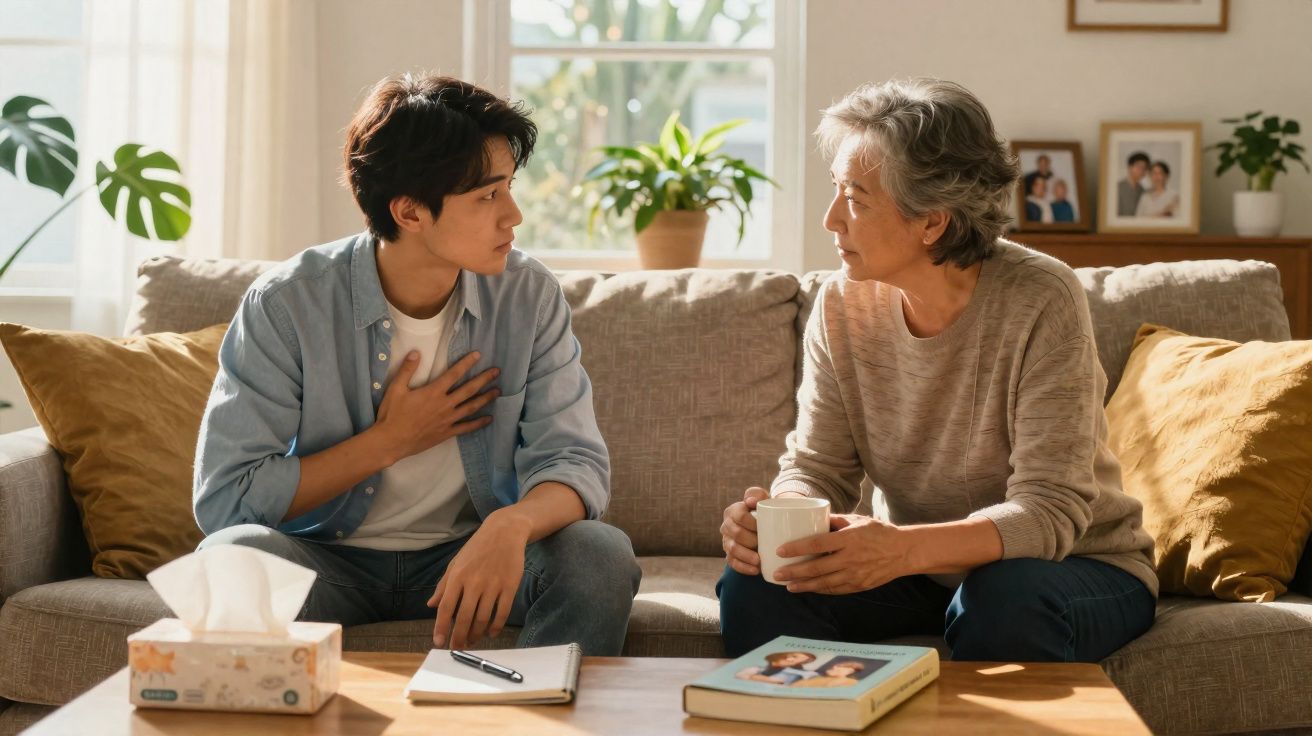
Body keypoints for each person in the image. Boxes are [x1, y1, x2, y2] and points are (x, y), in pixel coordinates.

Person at [193, 73, 641, 656]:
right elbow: (227, 498)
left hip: (472, 554)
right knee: (229, 562)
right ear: (409, 212)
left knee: (598, 556)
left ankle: (538, 716)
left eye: (509, 187)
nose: (514, 215)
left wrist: (510, 526)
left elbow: (576, 462)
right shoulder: (287, 304)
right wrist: (389, 441)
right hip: (327, 560)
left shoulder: (528, 296)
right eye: (487, 195)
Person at [717, 78, 1157, 663]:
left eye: (855, 198)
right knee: (757, 584)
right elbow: (818, 468)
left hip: (1072, 566)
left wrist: (902, 550)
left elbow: (1049, 510)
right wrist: (779, 519)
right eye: (836, 191)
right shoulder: (840, 304)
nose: (830, 220)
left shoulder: (1043, 298)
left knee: (1001, 596)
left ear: (932, 222)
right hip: (919, 569)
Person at [735, 651, 817, 685]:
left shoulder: (795, 674)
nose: (791, 659)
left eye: (800, 661)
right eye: (793, 656)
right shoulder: (756, 666)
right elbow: (738, 676)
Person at [790, 660, 869, 688]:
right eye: (835, 666)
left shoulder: (849, 682)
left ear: (850, 671)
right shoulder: (815, 677)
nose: (834, 668)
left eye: (839, 667)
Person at [1117, 151, 1150, 217]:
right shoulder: (1117, 188)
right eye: (1138, 167)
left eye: (1144, 168)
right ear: (1130, 167)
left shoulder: (1143, 191)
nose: (1141, 171)